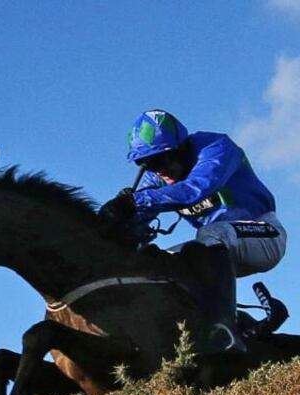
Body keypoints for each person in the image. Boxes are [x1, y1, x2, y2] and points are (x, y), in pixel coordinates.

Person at [100, 109, 286, 353]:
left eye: (160, 160)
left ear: (180, 148)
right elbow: (138, 213)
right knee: (160, 263)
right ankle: (237, 322)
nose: (158, 170)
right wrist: (113, 222)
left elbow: (196, 188)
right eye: (147, 164)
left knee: (209, 237)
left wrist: (136, 202)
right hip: (218, 253)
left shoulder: (216, 147)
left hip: (265, 234)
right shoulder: (158, 177)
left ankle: (224, 329)